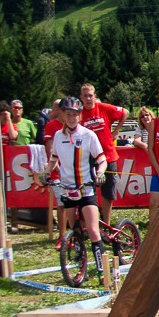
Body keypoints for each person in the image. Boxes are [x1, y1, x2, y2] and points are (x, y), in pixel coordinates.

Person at [45, 96, 110, 277]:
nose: (72, 118)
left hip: (86, 188)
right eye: (68, 114)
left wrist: (100, 173)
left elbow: (102, 160)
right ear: (63, 115)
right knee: (75, 231)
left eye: (75, 115)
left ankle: (101, 270)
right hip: (67, 189)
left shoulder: (88, 135)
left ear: (80, 116)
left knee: (93, 230)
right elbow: (53, 159)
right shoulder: (58, 136)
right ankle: (82, 267)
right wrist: (46, 173)